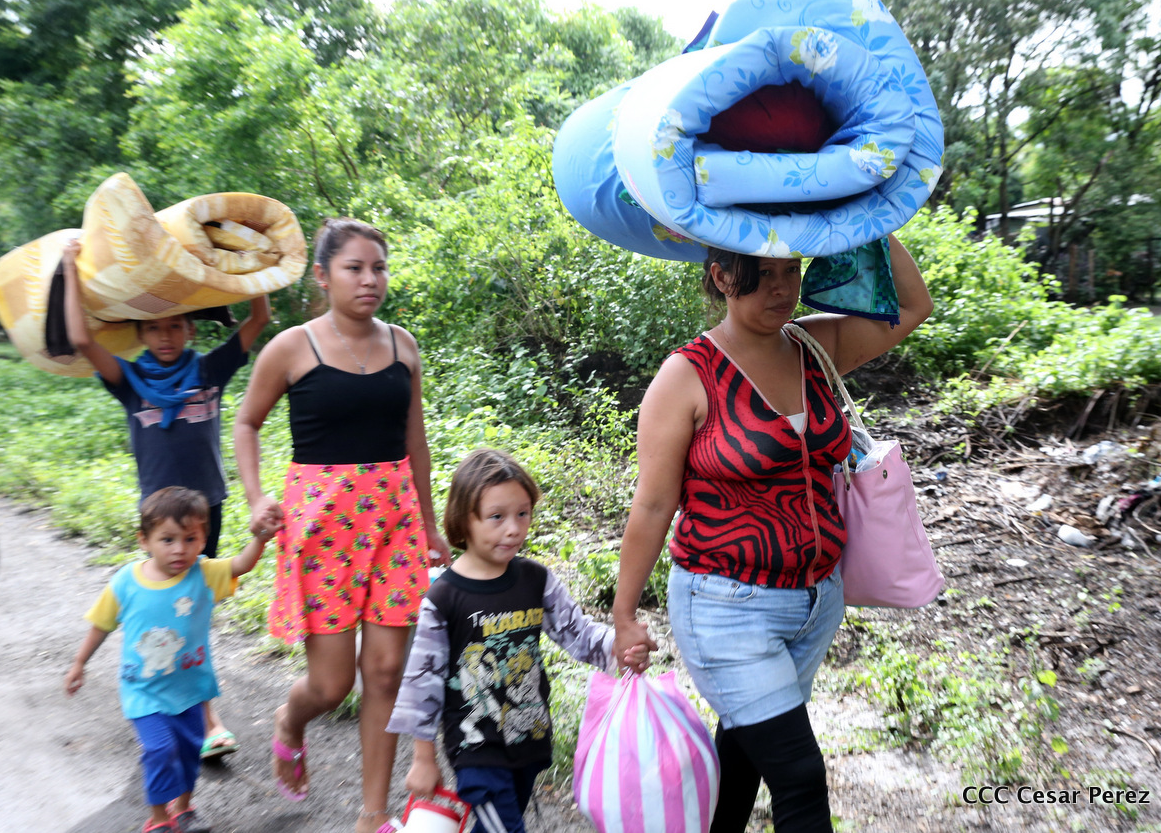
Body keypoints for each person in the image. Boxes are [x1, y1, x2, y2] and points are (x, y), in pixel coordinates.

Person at [612, 233, 933, 832]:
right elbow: (653, 505)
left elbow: (913, 306)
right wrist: (624, 612)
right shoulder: (687, 375)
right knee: (799, 775)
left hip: (816, 603)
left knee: (744, 755)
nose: (782, 288)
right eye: (761, 274)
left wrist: (865, 217)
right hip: (725, 605)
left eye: (790, 269)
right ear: (721, 276)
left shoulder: (815, 346)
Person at [233, 217, 449, 832]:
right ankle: (290, 719)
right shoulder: (292, 347)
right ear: (323, 276)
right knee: (329, 686)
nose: (369, 279)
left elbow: (415, 441)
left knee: (384, 671)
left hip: (394, 524)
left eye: (378, 267)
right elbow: (246, 423)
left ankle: (373, 815)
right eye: (354, 268)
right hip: (321, 529)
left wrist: (430, 524)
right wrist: (256, 497)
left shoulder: (403, 346)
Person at [62, 238, 271, 759]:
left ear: (190, 330)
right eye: (154, 328)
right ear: (140, 333)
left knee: (193, 610)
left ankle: (202, 716)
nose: (165, 336)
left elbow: (259, 318)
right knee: (163, 608)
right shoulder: (129, 382)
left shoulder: (209, 372)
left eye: (175, 326)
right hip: (160, 522)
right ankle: (161, 700)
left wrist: (251, 263)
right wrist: (69, 270)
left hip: (204, 513)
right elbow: (80, 338)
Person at [387, 448, 649, 833]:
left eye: (522, 514)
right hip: (476, 748)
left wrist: (620, 646)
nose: (513, 528)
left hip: (528, 737)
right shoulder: (444, 598)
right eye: (497, 517)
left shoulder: (535, 580)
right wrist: (423, 757)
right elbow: (422, 681)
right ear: (464, 519)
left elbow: (577, 633)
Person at [64, 486, 278, 833]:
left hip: (190, 690)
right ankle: (159, 819)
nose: (179, 549)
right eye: (167, 540)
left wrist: (261, 538)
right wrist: (79, 663)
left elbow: (242, 564)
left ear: (203, 539)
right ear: (144, 540)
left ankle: (183, 809)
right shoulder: (126, 582)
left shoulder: (204, 574)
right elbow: (101, 625)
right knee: (160, 750)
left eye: (190, 539)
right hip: (143, 691)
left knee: (190, 750)